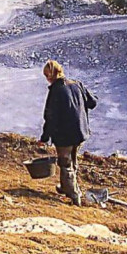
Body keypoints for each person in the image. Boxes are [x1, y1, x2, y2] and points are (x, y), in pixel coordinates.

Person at [38, 59, 94, 206]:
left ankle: (75, 195)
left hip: (64, 135)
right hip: (80, 131)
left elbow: (50, 117)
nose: (47, 79)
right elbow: (93, 102)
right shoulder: (77, 84)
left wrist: (44, 137)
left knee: (65, 163)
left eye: (47, 76)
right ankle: (65, 187)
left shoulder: (55, 91)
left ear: (51, 75)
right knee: (73, 160)